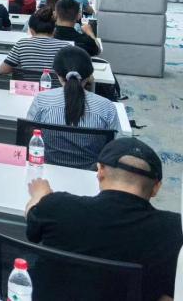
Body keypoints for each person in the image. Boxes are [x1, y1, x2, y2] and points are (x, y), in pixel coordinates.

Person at [25, 137, 181, 301]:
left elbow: (32, 221)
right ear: (156, 188)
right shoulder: (174, 231)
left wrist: (40, 195)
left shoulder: (58, 206)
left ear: (100, 172)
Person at [27, 46, 118, 169]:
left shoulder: (42, 100)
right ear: (90, 75)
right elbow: (115, 147)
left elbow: (29, 134)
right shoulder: (107, 107)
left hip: (45, 170)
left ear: (57, 73)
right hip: (91, 174)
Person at [0, 8, 71, 74]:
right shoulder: (66, 47)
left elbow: (3, 70)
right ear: (54, 30)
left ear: (31, 30)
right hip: (56, 84)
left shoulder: (22, 44)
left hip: (28, 83)